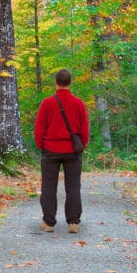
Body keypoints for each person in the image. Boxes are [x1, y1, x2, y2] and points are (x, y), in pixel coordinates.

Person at [33, 68, 90, 233]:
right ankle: (73, 222)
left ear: (56, 82)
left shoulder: (47, 103)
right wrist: (82, 146)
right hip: (73, 150)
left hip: (50, 150)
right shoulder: (78, 103)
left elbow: (39, 127)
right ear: (70, 82)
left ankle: (49, 223)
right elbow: (84, 128)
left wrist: (40, 145)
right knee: (73, 186)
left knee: (48, 187)